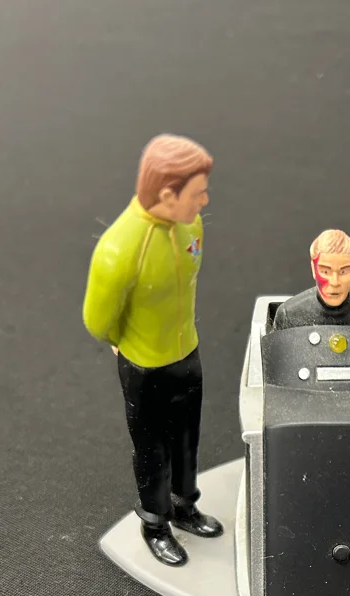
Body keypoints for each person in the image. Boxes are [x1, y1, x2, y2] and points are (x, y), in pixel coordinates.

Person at [82, 134, 223, 567]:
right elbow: (97, 321)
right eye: (197, 193)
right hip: (145, 366)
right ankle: (155, 524)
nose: (205, 200)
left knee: (187, 440)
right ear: (167, 195)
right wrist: (124, 343)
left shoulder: (190, 225)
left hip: (187, 353)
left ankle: (184, 505)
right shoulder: (120, 249)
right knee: (152, 450)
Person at [273, 229, 350, 330]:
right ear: (314, 269)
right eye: (325, 272)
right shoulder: (289, 315)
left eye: (343, 272)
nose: (335, 282)